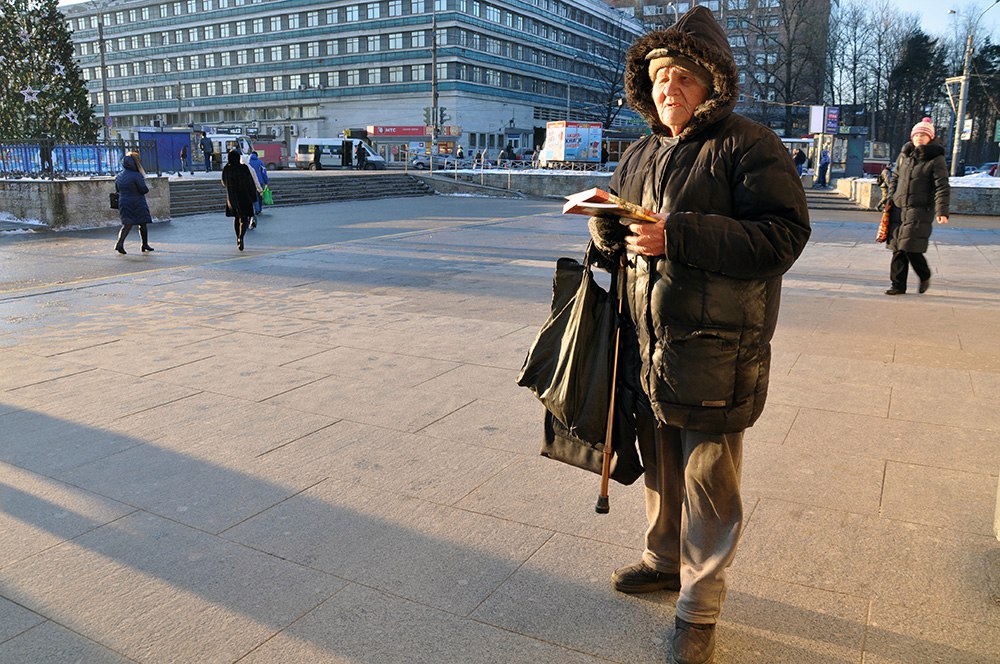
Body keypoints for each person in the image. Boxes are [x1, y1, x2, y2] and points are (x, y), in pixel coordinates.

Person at [586, 7, 810, 664]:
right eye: (659, 77)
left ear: (711, 84)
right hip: (649, 343)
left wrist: (677, 234)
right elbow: (625, 231)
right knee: (660, 464)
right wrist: (606, 226)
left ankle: (700, 605)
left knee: (709, 476)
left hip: (717, 347)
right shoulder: (638, 151)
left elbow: (783, 237)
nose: (668, 89)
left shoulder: (749, 144)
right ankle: (661, 560)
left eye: (682, 77)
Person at [884, 117, 949, 296]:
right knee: (897, 248)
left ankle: (924, 274)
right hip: (899, 207)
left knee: (910, 247)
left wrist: (942, 210)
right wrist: (891, 197)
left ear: (930, 137)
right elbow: (895, 178)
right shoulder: (904, 155)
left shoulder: (936, 159)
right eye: (916, 134)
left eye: (923, 134)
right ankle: (897, 285)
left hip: (919, 210)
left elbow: (942, 186)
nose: (919, 137)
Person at [114, 152, 154, 254]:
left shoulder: (119, 176)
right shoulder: (137, 175)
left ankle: (120, 243)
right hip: (137, 202)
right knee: (143, 224)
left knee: (127, 224)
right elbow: (143, 190)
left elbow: (117, 189)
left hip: (124, 202)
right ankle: (144, 244)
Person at [222, 150, 258, 251]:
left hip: (232, 197)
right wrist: (253, 197)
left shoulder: (226, 169)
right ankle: (241, 236)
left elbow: (223, 182)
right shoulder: (244, 168)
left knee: (236, 218)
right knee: (244, 218)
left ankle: (237, 236)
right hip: (244, 196)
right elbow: (250, 183)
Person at [248, 150, 269, 218]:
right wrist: (266, 181)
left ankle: (254, 209)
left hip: (250, 182)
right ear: (257, 156)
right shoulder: (260, 162)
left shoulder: (248, 162)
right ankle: (258, 210)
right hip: (259, 181)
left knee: (252, 196)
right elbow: (264, 172)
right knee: (259, 196)